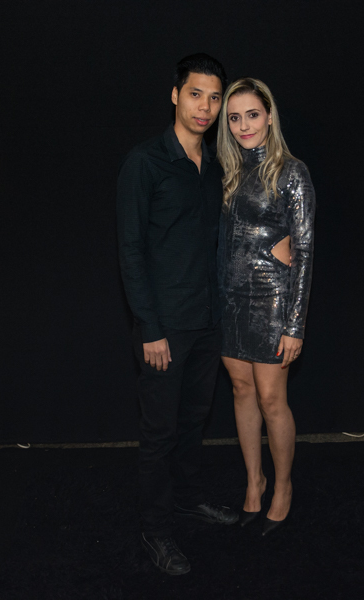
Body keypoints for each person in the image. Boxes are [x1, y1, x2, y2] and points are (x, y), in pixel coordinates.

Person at [116, 53, 238, 576]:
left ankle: (188, 501)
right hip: (163, 329)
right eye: (195, 94)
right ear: (174, 95)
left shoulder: (215, 166)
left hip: (208, 323)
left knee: (193, 424)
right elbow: (130, 251)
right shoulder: (144, 162)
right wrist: (150, 328)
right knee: (159, 435)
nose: (204, 107)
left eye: (214, 98)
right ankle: (156, 530)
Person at [216, 77, 315, 536]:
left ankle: (283, 487)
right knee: (241, 390)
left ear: (270, 116)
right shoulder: (227, 171)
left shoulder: (292, 172)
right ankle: (253, 482)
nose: (244, 126)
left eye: (252, 115)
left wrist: (295, 324)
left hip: (272, 299)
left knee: (272, 398)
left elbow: (305, 251)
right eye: (234, 118)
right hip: (229, 298)